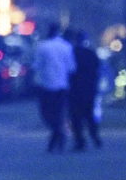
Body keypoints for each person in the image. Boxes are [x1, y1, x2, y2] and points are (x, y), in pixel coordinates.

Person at [31, 24, 76, 152]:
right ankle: (59, 134)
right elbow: (72, 68)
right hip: (62, 86)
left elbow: (37, 66)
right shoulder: (66, 47)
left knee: (47, 113)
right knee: (59, 113)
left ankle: (56, 135)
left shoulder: (42, 47)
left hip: (46, 86)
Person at [68, 29, 103, 150]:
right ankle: (95, 137)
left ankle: (80, 141)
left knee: (76, 117)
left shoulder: (72, 53)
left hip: (75, 89)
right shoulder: (91, 53)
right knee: (89, 115)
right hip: (89, 88)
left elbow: (69, 71)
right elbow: (97, 69)